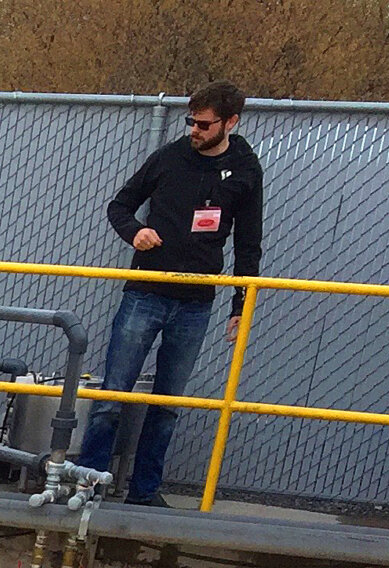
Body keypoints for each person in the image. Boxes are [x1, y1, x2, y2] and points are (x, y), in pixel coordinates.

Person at [78, 83, 265, 505]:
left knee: (167, 403)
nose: (194, 131)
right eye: (190, 122)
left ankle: (144, 491)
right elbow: (119, 205)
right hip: (145, 292)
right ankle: (89, 482)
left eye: (203, 124)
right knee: (113, 394)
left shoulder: (246, 171)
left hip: (196, 301)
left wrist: (240, 306)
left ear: (230, 123)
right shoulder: (168, 158)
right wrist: (135, 233)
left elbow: (249, 244)